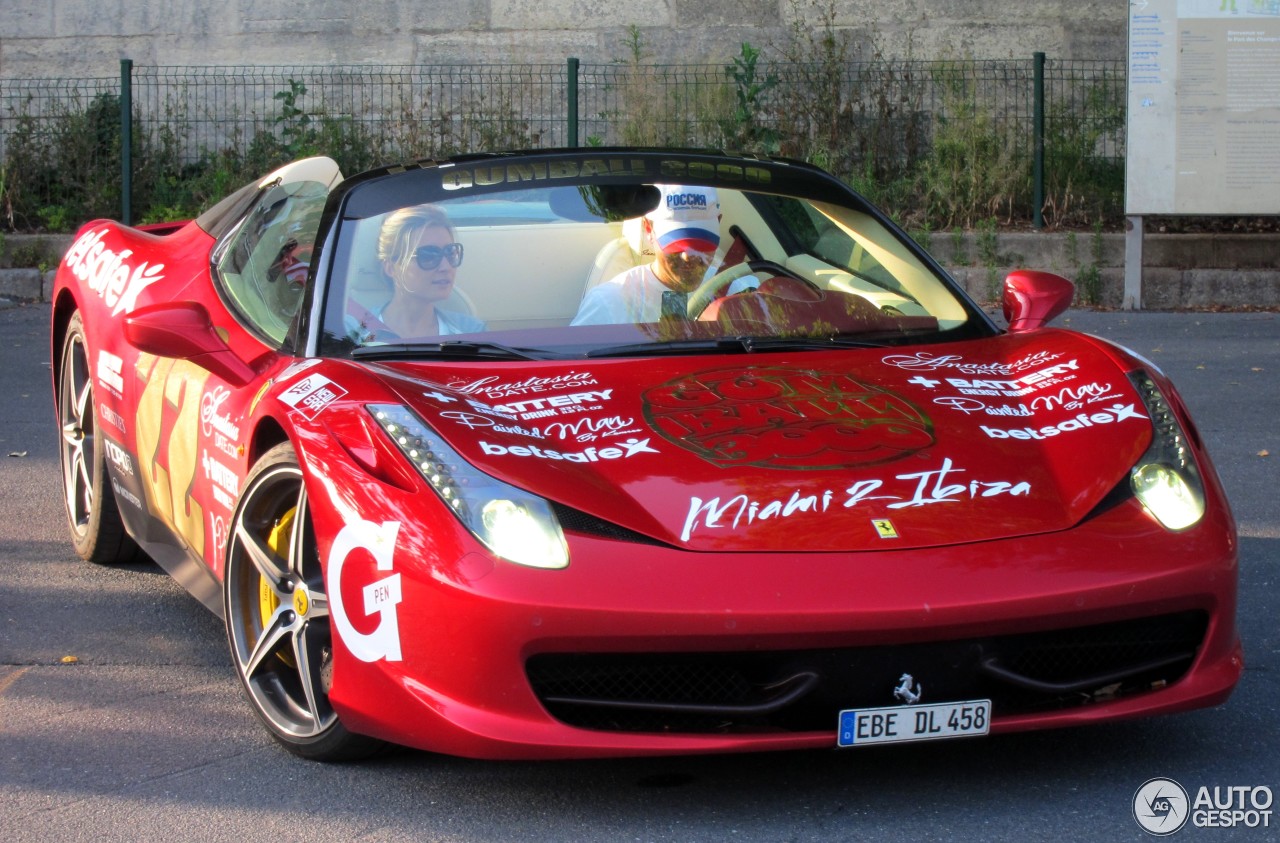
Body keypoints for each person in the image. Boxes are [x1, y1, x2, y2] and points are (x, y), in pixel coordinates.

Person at [571, 184, 722, 325]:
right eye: (676, 244)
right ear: (648, 228)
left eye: (700, 243)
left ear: (719, 222)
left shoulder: (737, 289)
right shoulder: (609, 302)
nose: (688, 256)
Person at [347, 204, 485, 343]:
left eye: (451, 252)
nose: (446, 266)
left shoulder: (472, 332)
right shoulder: (351, 333)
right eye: (428, 255)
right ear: (391, 268)